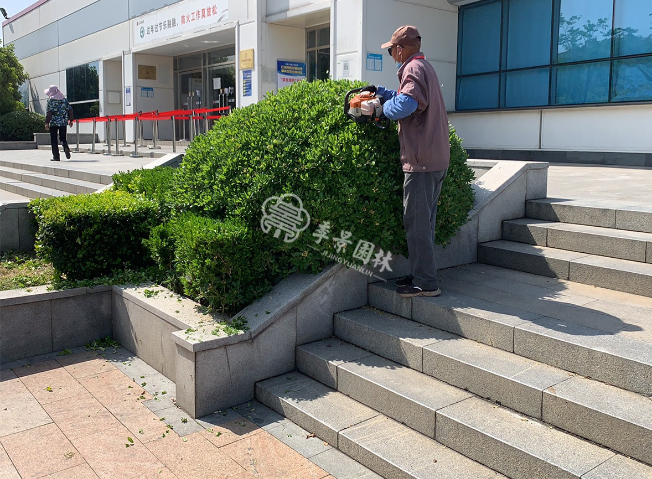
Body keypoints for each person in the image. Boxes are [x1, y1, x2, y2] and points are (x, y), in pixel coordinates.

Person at [368, 26, 450, 298]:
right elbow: (410, 98)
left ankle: (425, 283)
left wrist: (378, 108)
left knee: (416, 223)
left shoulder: (413, 70)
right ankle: (421, 274)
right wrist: (382, 92)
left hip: (421, 161)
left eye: (392, 49)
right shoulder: (424, 67)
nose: (392, 54)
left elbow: (406, 105)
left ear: (401, 49)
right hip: (434, 158)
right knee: (424, 222)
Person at [44, 85, 74, 161]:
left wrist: (47, 122)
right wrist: (71, 120)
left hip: (54, 123)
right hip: (63, 122)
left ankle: (56, 156)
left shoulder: (51, 101)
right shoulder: (64, 100)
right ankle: (66, 147)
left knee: (54, 139)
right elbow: (70, 110)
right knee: (63, 138)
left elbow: (49, 113)